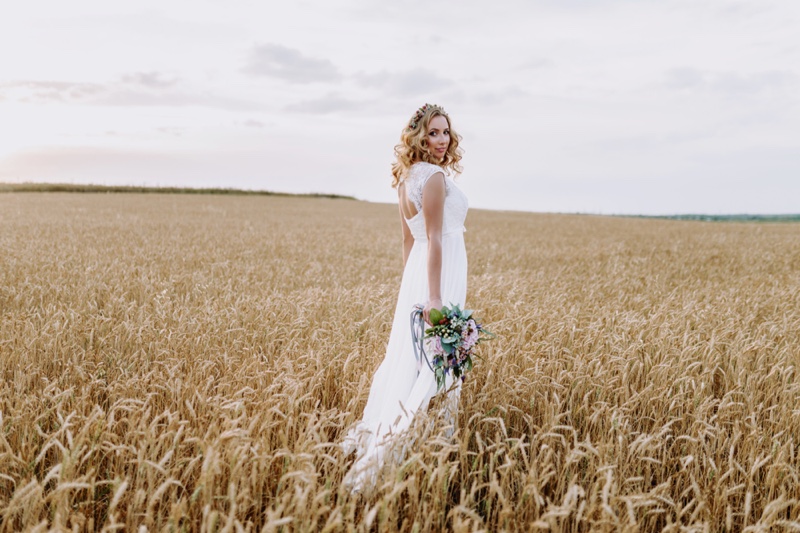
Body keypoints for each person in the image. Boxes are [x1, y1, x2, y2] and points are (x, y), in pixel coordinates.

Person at [341, 103, 469, 492]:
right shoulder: (431, 178)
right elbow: (431, 239)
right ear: (418, 136)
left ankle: (404, 436)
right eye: (433, 133)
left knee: (411, 357)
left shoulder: (405, 179)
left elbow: (407, 241)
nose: (442, 140)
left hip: (417, 272)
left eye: (445, 132)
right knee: (434, 360)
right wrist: (431, 297)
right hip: (437, 274)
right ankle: (405, 444)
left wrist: (409, 291)